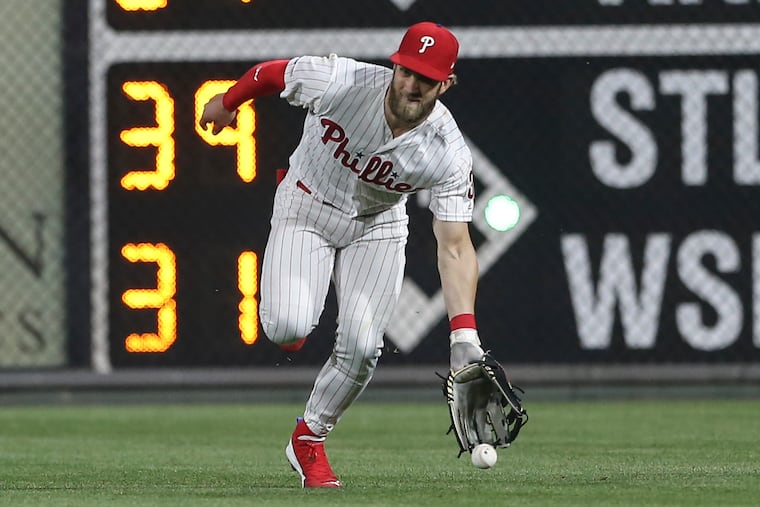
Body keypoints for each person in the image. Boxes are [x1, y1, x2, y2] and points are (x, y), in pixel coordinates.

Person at [199, 21, 485, 488]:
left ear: (445, 85)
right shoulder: (341, 81)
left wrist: (464, 335)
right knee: (286, 326)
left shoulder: (448, 153)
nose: (412, 84)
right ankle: (295, 324)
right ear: (395, 64)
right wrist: (229, 102)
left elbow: (454, 246)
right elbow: (273, 73)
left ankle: (309, 438)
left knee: (361, 348)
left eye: (426, 78)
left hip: (378, 226)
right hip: (306, 204)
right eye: (407, 70)